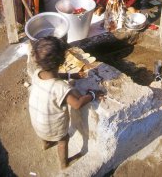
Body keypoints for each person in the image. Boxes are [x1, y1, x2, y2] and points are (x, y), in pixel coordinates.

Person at [28, 36, 105, 169]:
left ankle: (46, 144)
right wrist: (92, 95)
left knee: (45, 134)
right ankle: (64, 164)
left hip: (37, 122)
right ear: (61, 61)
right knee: (63, 141)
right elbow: (77, 104)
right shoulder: (61, 88)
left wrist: (70, 75)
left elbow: (55, 74)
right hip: (53, 127)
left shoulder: (38, 73)